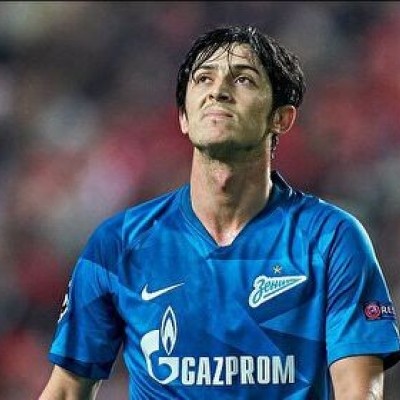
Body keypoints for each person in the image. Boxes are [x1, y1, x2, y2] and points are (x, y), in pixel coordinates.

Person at [39, 25, 400, 400]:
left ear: (281, 118)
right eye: (203, 79)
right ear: (183, 117)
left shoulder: (330, 239)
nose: (218, 91)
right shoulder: (119, 244)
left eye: (243, 79)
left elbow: (359, 390)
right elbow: (65, 390)